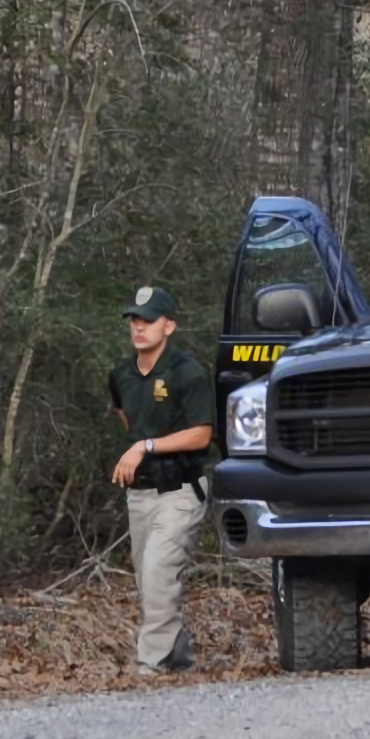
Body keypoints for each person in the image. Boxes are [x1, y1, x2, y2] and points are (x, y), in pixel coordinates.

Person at [108, 286, 214, 675]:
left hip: (180, 491)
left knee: (157, 571)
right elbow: (126, 418)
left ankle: (150, 662)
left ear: (169, 325)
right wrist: (138, 449)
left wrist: (146, 447)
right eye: (134, 320)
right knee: (149, 580)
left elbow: (202, 434)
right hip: (141, 494)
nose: (139, 327)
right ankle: (178, 654)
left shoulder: (188, 373)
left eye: (148, 320)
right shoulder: (121, 373)